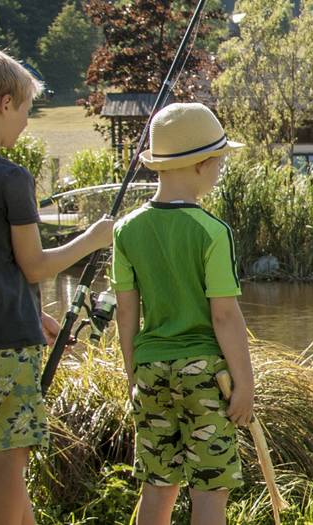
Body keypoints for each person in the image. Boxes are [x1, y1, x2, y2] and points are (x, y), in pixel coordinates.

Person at [0, 44, 113, 525]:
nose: (26, 123)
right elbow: (34, 266)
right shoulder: (11, 177)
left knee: (4, 451)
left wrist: (33, 312)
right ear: (5, 103)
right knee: (11, 460)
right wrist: (92, 238)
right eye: (27, 110)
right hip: (6, 340)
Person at [110, 102, 254, 525]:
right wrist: (244, 383)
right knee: (210, 489)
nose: (220, 170)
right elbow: (225, 317)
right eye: (219, 162)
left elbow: (125, 312)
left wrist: (133, 369)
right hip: (204, 375)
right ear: (200, 166)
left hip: (150, 369)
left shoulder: (126, 230)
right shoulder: (211, 232)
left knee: (157, 485)